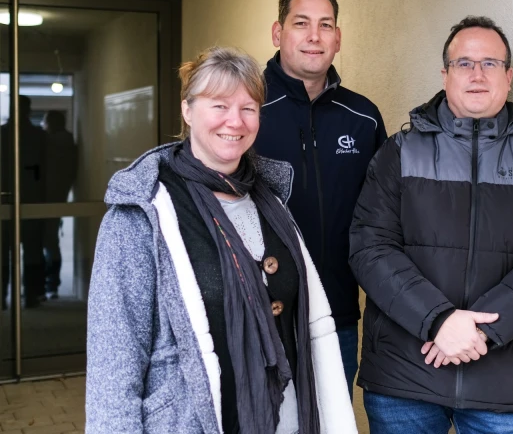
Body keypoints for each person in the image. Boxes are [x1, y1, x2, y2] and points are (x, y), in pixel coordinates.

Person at [86, 47, 357, 434]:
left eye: (248, 108)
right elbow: (114, 361)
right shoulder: (144, 211)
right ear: (187, 110)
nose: (236, 121)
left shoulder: (270, 200)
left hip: (289, 420)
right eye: (219, 105)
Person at [349, 16, 513, 433]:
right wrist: (438, 320)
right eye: (464, 63)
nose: (477, 74)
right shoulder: (398, 154)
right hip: (406, 379)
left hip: (500, 380)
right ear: (445, 74)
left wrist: (481, 332)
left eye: (490, 63)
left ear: (509, 77)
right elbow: (371, 247)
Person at [253, 0, 387, 398]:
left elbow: (386, 213)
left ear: (338, 38)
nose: (314, 36)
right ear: (278, 33)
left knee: (332, 420)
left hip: (337, 315)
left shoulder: (362, 117)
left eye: (325, 25)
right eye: (301, 23)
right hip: (260, 314)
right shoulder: (246, 109)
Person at [1, 95, 47, 308]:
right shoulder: (39, 136)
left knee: (5, 252)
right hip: (32, 200)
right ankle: (31, 296)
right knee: (31, 252)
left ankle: (2, 297)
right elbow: (46, 172)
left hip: (8, 200)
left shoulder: (3, 134)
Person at [41, 110, 78, 299]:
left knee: (47, 242)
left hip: (48, 198)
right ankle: (51, 285)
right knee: (51, 241)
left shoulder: (51, 143)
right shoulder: (68, 142)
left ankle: (48, 284)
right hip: (58, 196)